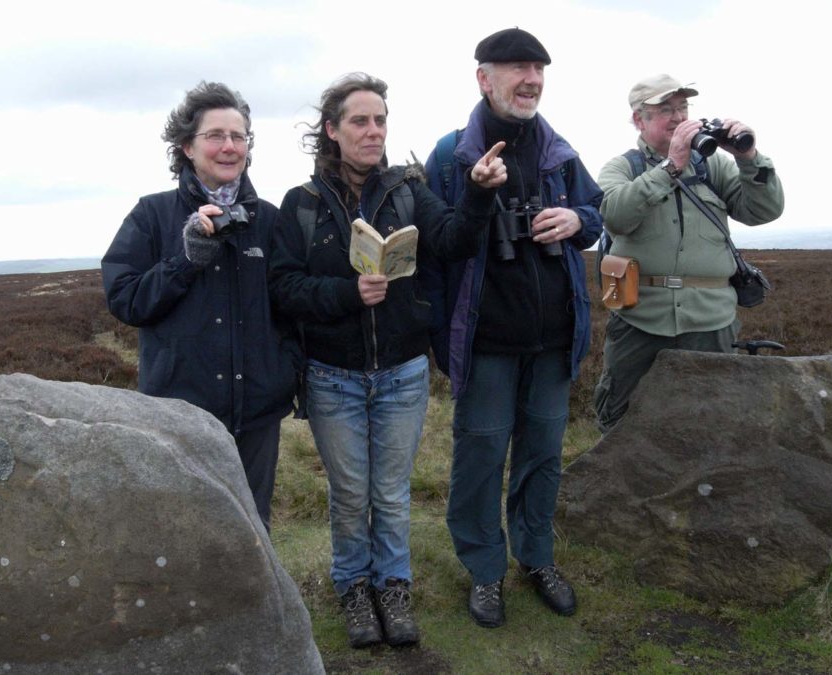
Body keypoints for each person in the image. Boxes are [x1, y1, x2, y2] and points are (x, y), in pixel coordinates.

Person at [269, 72, 505, 648]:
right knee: (351, 493)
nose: (373, 131)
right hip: (332, 377)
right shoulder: (299, 205)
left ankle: (393, 588)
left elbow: (453, 240)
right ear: (332, 129)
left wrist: (477, 193)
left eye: (380, 121)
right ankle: (354, 588)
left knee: (392, 492)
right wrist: (348, 294)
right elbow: (282, 287)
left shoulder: (408, 190)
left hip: (402, 372)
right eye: (359, 121)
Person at [423, 28, 603, 628]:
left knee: (544, 454)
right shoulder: (452, 155)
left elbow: (596, 217)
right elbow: (437, 246)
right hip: (487, 343)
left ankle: (537, 556)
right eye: (517, 68)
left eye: (538, 69)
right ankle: (484, 569)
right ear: (484, 77)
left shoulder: (559, 151)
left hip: (553, 341)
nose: (531, 79)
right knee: (479, 457)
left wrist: (576, 218)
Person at [101, 81, 300, 533]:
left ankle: (257, 607)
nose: (229, 147)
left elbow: (291, 307)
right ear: (187, 147)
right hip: (179, 415)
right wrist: (185, 260)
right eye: (215, 136)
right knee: (183, 532)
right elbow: (125, 299)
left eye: (239, 136)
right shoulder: (152, 216)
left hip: (256, 414)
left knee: (252, 529)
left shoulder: (269, 219)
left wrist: (284, 373)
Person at [591, 74, 785, 434]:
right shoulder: (622, 168)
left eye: (682, 107)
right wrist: (670, 167)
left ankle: (702, 489)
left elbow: (763, 212)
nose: (679, 117)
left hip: (710, 319)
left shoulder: (714, 167)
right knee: (621, 417)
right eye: (665, 109)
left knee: (710, 418)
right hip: (640, 316)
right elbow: (614, 215)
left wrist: (749, 158)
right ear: (639, 119)